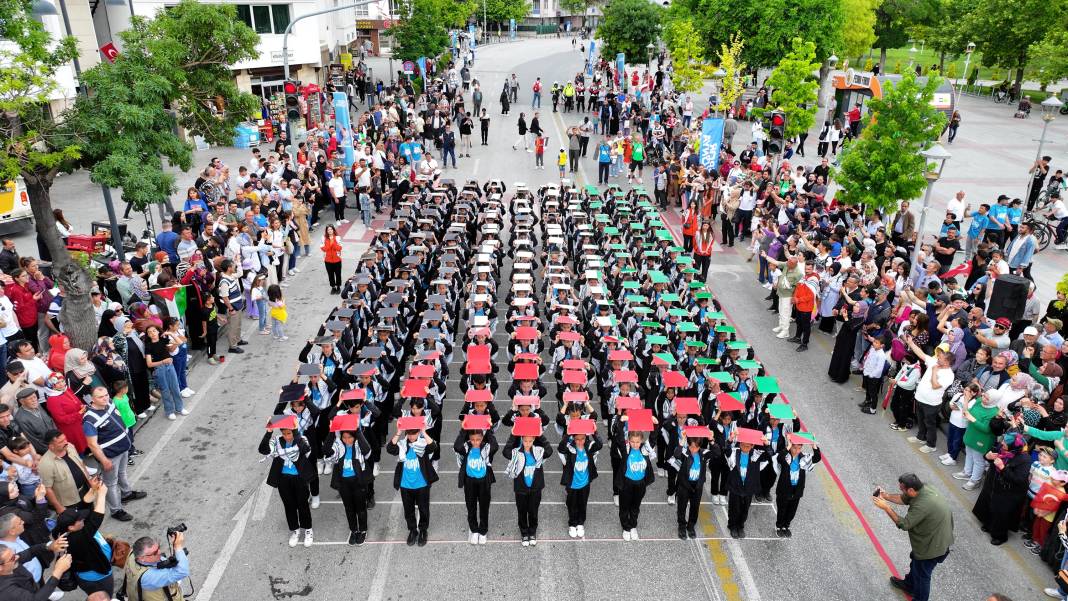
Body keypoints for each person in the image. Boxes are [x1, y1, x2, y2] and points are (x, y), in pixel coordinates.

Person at [872, 474, 954, 601]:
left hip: (933, 548)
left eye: (902, 489)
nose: (901, 491)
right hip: (933, 539)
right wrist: (885, 496)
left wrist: (886, 507)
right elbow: (904, 499)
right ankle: (910, 585)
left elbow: (904, 524)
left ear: (911, 490)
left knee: (923, 576)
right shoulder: (923, 488)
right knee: (916, 562)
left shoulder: (922, 506)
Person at [260, 418, 315, 548]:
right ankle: (295, 530)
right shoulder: (277, 441)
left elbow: (306, 449)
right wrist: (268, 432)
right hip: (283, 479)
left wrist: (295, 433)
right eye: (284, 433)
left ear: (294, 431)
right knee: (289, 505)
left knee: (302, 505)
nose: (286, 436)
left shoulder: (301, 439)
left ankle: (308, 529)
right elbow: (263, 450)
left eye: (289, 433)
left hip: (299, 478)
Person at [55, 478, 114, 596]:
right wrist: (101, 495)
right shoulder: (77, 539)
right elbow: (96, 519)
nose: (83, 519)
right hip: (97, 576)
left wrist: (93, 490)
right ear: (71, 527)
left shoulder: (64, 529)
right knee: (105, 596)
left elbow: (82, 506)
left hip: (93, 567)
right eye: (79, 519)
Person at [386, 419, 438, 547]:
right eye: (409, 433)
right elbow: (390, 448)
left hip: (421, 485)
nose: (411, 436)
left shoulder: (422, 444)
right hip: (405, 485)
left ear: (418, 432)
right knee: (408, 510)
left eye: (414, 433)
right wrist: (398, 432)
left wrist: (424, 432)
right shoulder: (403, 444)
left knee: (423, 509)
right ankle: (413, 530)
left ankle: (423, 530)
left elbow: (433, 447)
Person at [503, 430, 552, 546]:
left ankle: (532, 532)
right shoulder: (516, 453)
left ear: (534, 440)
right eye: (525, 440)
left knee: (533, 512)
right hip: (521, 489)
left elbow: (549, 451)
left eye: (530, 441)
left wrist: (540, 434)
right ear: (521, 439)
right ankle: (524, 532)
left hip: (535, 489)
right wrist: (513, 434)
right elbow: (505, 452)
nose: (527, 443)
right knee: (522, 511)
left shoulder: (538, 451)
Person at [453, 425, 498, 545]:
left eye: (478, 439)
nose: (475, 442)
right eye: (472, 439)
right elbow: (457, 446)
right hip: (470, 482)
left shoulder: (486, 447)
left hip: (484, 482)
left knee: (484, 507)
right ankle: (474, 530)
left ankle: (483, 531)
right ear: (469, 439)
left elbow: (495, 446)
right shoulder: (467, 447)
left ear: (482, 438)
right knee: (471, 507)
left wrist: (488, 429)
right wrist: (463, 429)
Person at [125, 531, 189, 601]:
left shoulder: (132, 554)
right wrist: (178, 546)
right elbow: (182, 572)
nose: (159, 552)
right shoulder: (148, 577)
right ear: (142, 558)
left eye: (158, 547)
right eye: (155, 553)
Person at [0, 541, 71, 601]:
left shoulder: (12, 561)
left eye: (14, 553)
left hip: (33, 588)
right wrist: (58, 571)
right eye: (12, 558)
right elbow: (35, 599)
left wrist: (49, 546)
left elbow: (30, 552)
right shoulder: (6, 590)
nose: (17, 557)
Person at [321, 225, 343, 295]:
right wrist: (330, 243)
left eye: (331, 229)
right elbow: (323, 248)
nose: (329, 231)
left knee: (338, 274)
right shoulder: (323, 238)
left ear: (333, 230)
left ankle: (338, 286)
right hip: (328, 260)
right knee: (330, 275)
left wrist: (332, 243)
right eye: (328, 230)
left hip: (337, 260)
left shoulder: (337, 238)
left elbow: (339, 248)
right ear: (326, 231)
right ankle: (333, 287)